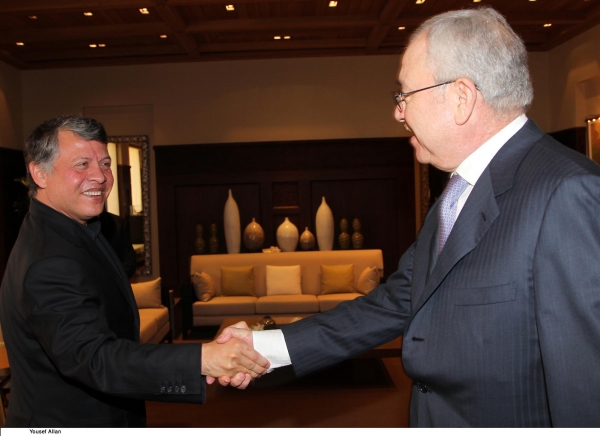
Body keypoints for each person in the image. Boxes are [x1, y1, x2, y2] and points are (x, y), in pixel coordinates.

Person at [218, 7, 600, 427]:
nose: (398, 113)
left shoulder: (566, 192)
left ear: (461, 97)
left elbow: (584, 389)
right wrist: (265, 345)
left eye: (405, 95)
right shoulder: (457, 190)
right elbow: (398, 302)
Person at [0, 116, 269, 427]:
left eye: (105, 164)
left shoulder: (75, 230)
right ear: (39, 173)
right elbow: (96, 359)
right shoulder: (49, 260)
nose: (100, 176)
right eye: (82, 164)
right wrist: (203, 359)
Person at [98, 210, 138, 279]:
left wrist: (114, 280)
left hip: (115, 282)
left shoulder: (118, 223)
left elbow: (129, 261)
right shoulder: (78, 224)